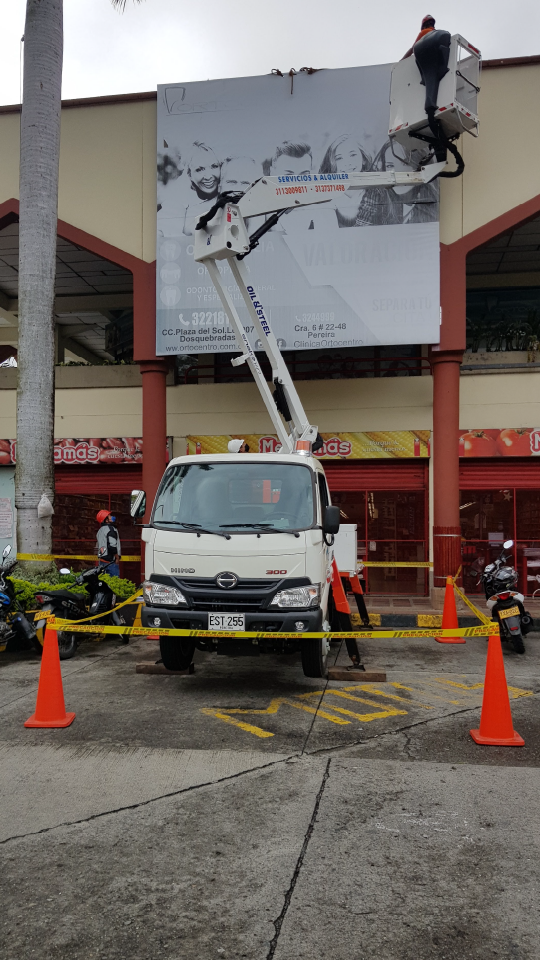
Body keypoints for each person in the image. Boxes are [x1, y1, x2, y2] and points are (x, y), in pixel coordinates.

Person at [182, 142, 221, 236]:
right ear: (189, 174)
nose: (208, 177)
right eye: (199, 169)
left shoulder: (229, 200)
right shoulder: (182, 207)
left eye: (214, 166)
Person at [96, 509, 121, 577]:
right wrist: (117, 557)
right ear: (106, 520)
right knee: (114, 583)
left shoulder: (100, 531)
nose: (112, 517)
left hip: (102, 561)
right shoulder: (111, 529)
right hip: (111, 562)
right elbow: (112, 546)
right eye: (109, 516)